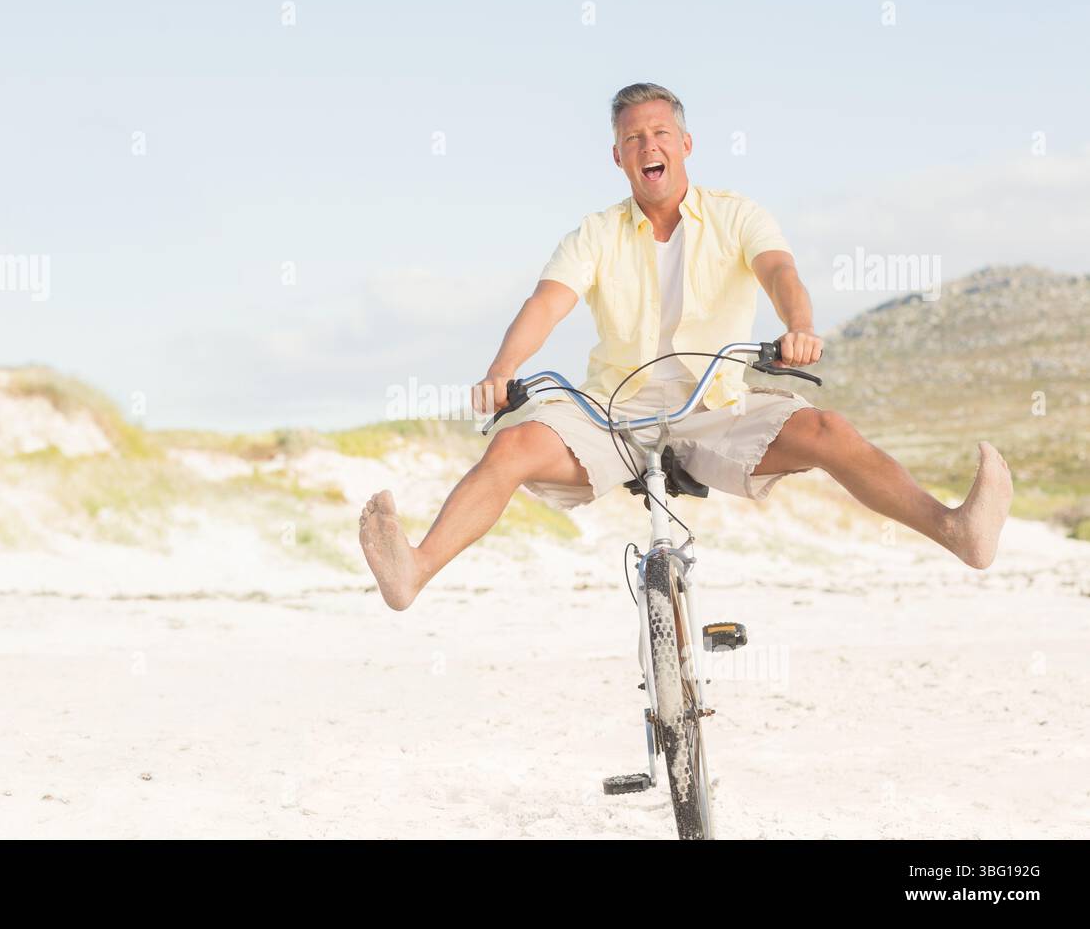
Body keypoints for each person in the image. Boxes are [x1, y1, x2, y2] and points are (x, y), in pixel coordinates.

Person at [358, 82, 1012, 611]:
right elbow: (546, 304)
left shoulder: (737, 215)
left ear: (686, 143)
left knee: (827, 429)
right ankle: (414, 568)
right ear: (618, 157)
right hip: (613, 410)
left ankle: (957, 530)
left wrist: (800, 328)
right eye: (632, 137)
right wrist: (502, 371)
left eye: (660, 132)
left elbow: (781, 274)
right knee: (512, 444)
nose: (648, 144)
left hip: (718, 407)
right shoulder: (595, 233)